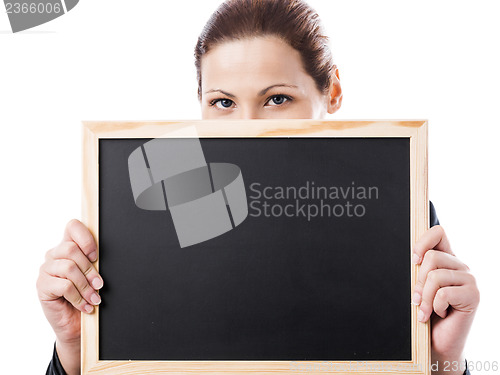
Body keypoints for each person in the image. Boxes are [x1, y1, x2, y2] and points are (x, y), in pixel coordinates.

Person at [38, 1, 480, 374]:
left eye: (277, 99)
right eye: (223, 103)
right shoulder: (160, 212)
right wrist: (76, 350)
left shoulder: (395, 211)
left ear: (333, 92)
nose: (248, 127)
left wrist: (444, 360)